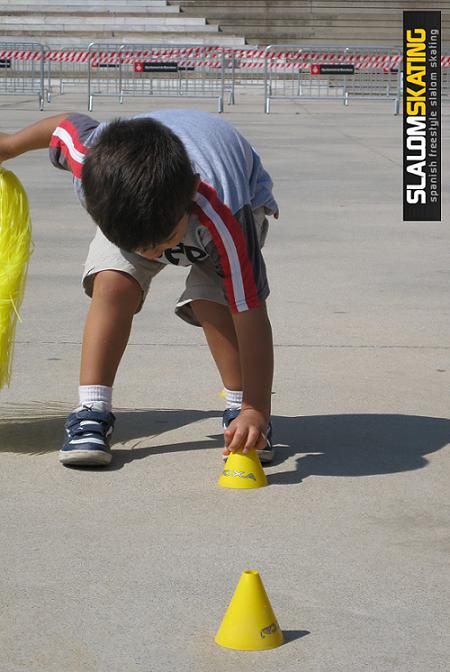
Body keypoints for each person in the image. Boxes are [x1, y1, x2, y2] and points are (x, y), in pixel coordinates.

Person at [0, 108, 279, 467]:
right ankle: (91, 408)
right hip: (138, 203)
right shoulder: (91, 161)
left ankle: (241, 410)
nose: (153, 254)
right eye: (141, 247)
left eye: (163, 242)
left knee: (214, 301)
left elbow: (250, 312)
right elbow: (64, 126)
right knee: (112, 283)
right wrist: (10, 145)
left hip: (224, 203)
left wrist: (256, 408)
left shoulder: (226, 217)